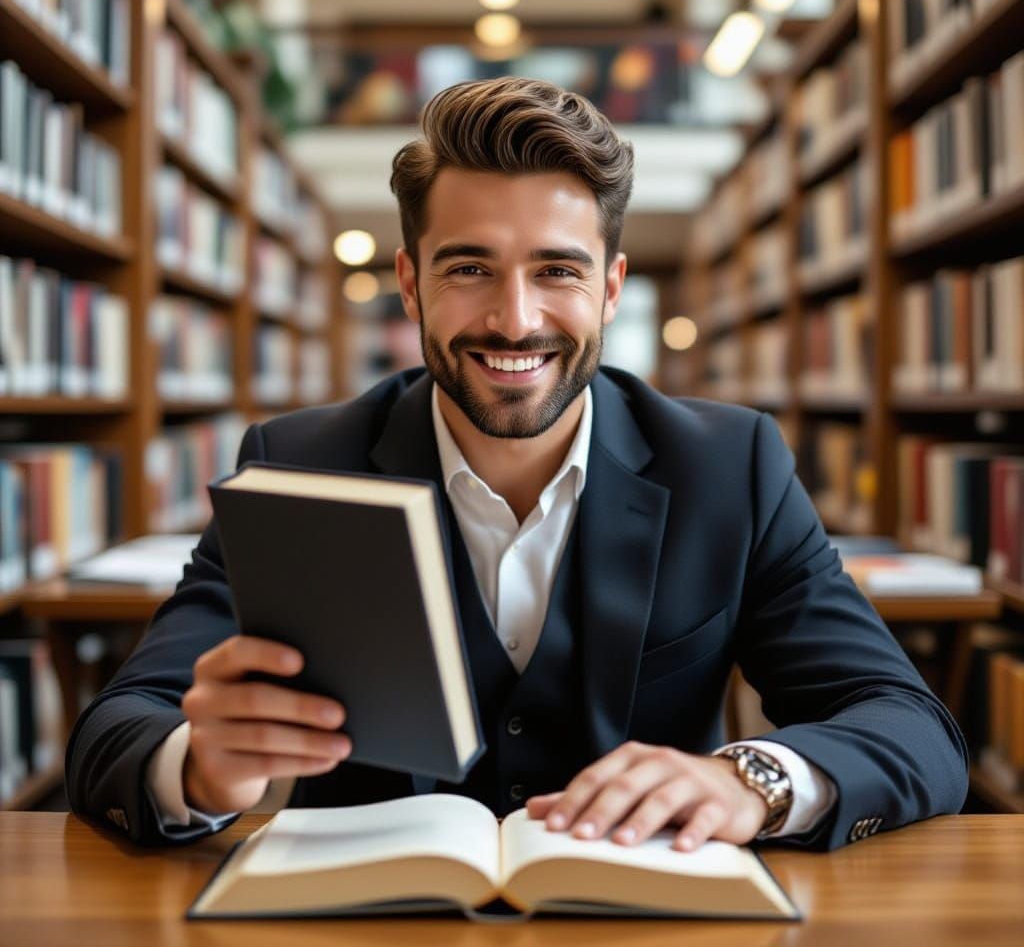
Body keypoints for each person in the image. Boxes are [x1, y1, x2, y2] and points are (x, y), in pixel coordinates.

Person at [67, 77, 968, 852]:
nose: (515, 319)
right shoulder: (301, 463)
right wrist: (199, 765)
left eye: (557, 272)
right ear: (410, 280)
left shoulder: (730, 468)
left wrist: (756, 780)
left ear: (610, 287)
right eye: (468, 269)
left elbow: (908, 724)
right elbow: (116, 729)